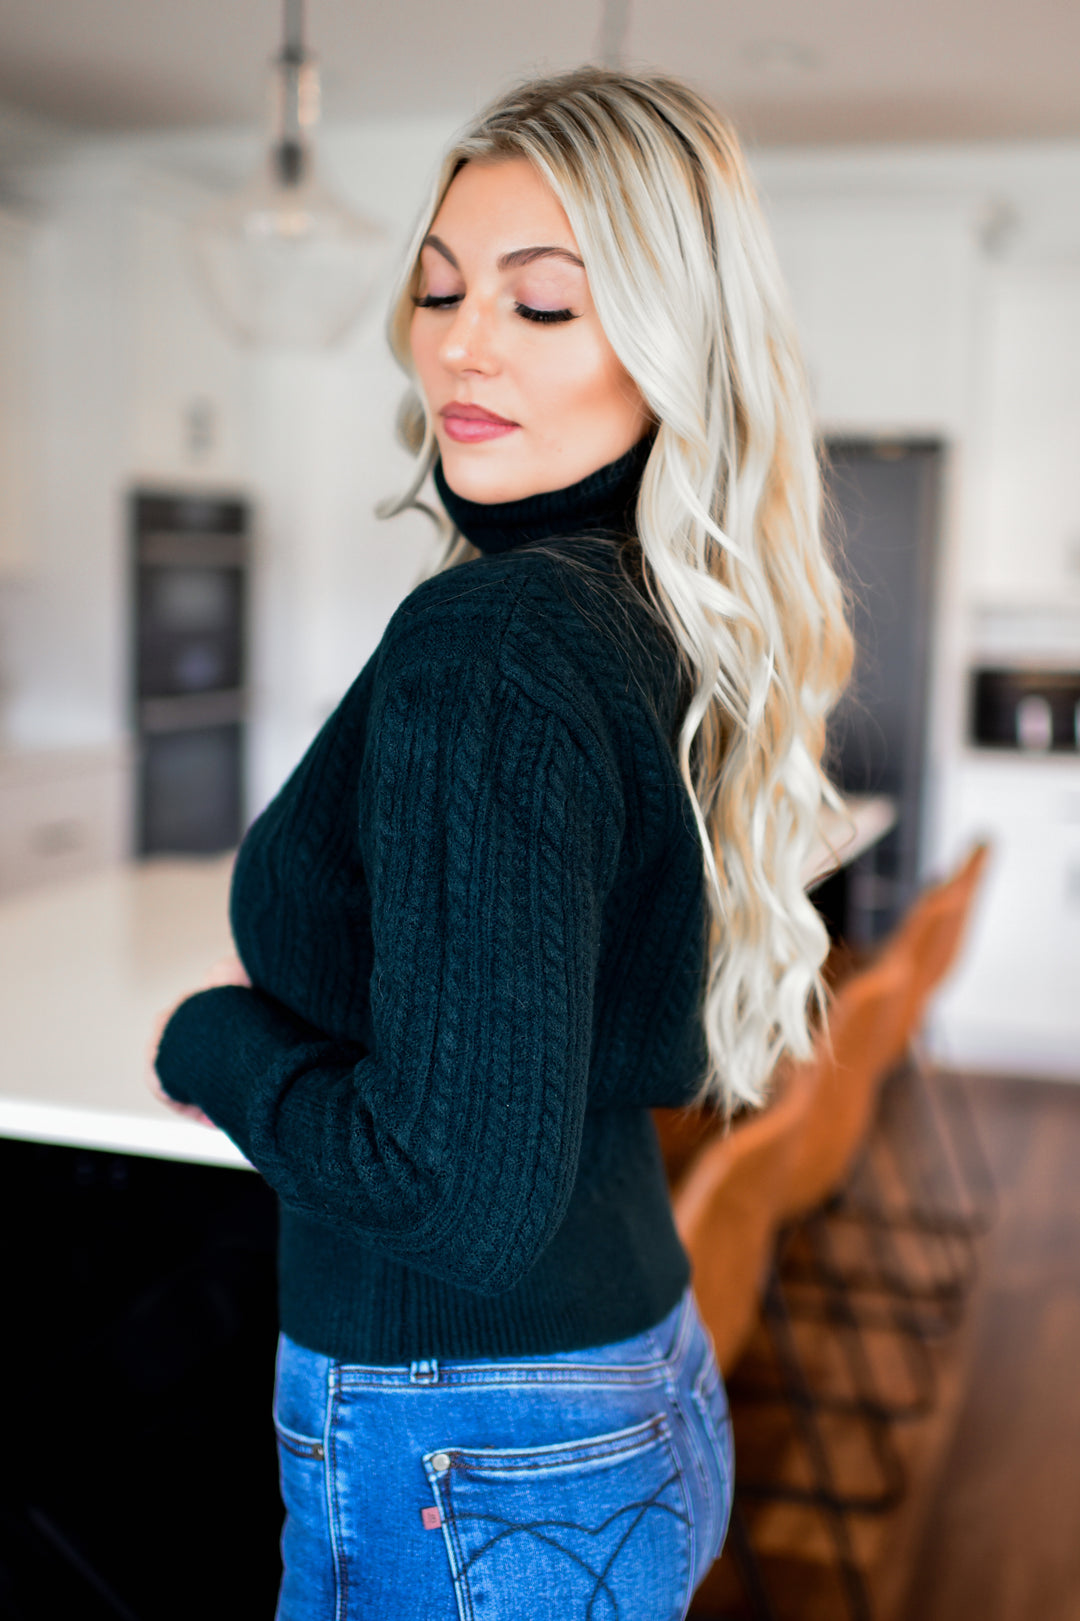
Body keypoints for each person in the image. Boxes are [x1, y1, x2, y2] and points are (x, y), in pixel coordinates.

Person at [150, 66, 852, 1621]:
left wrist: (215, 1040)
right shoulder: (651, 612)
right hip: (625, 1384)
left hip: (460, 1437)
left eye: (545, 305)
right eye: (439, 288)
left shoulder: (497, 643)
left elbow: (459, 1190)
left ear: (671, 346)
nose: (461, 342)